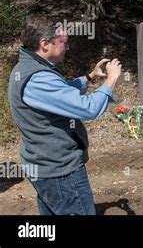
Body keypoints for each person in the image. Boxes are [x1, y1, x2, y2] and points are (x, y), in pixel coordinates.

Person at [7, 16, 122, 215]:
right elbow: (88, 109)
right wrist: (110, 81)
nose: (67, 48)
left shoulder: (26, 69)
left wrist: (89, 78)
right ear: (45, 44)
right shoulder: (39, 78)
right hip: (60, 173)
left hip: (45, 169)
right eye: (64, 42)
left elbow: (58, 93)